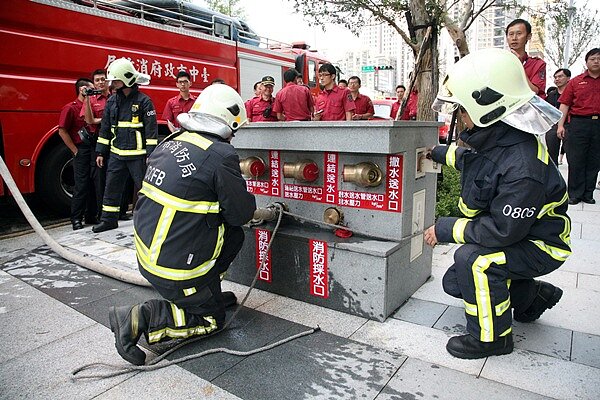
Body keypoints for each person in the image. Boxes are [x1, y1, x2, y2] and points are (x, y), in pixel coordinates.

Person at [425, 48, 570, 359]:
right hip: (521, 234)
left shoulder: (522, 168)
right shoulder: (501, 137)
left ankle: (492, 338)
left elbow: (504, 231)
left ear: (485, 109)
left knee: (474, 261)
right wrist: (435, 152)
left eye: (461, 109)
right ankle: (532, 297)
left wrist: (445, 228)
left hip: (542, 244)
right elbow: (473, 163)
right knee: (456, 282)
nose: (459, 117)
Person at [108, 84, 256, 366]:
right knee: (213, 319)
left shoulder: (172, 141)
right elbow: (241, 214)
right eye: (235, 128)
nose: (235, 135)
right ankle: (140, 317)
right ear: (228, 121)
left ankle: (205, 293)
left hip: (148, 257)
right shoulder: (220, 154)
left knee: (228, 233)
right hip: (173, 270)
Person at [93, 58, 158, 233]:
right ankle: (108, 220)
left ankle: (151, 221)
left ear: (127, 79)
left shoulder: (144, 102)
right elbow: (105, 129)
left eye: (116, 80)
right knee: (111, 187)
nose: (112, 84)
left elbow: (151, 133)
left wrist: (150, 156)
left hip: (138, 156)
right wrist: (100, 152)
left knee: (146, 190)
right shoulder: (112, 102)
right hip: (116, 154)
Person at [557, 48, 600, 205]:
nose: (596, 61)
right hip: (578, 124)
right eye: (592, 58)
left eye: (599, 59)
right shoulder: (576, 81)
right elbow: (564, 104)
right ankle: (574, 193)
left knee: (595, 160)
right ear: (586, 61)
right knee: (576, 159)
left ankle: (588, 193)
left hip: (598, 124)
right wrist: (560, 126)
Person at [58, 78, 95, 230]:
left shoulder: (91, 106)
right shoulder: (70, 108)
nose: (94, 92)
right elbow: (62, 131)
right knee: (81, 184)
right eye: (91, 89)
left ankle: (91, 215)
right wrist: (74, 150)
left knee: (94, 183)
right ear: (82, 89)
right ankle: (76, 219)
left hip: (93, 148)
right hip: (81, 149)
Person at [506, 18, 546, 98]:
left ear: (529, 36)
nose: (514, 38)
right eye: (511, 34)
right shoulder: (499, 62)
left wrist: (518, 66)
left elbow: (533, 91)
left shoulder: (537, 64)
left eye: (519, 33)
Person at [544, 68, 571, 166]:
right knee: (551, 154)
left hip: (569, 125)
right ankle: (553, 177)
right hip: (553, 125)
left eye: (560, 76)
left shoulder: (573, 93)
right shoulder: (551, 95)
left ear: (568, 78)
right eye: (555, 77)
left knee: (572, 154)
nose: (557, 79)